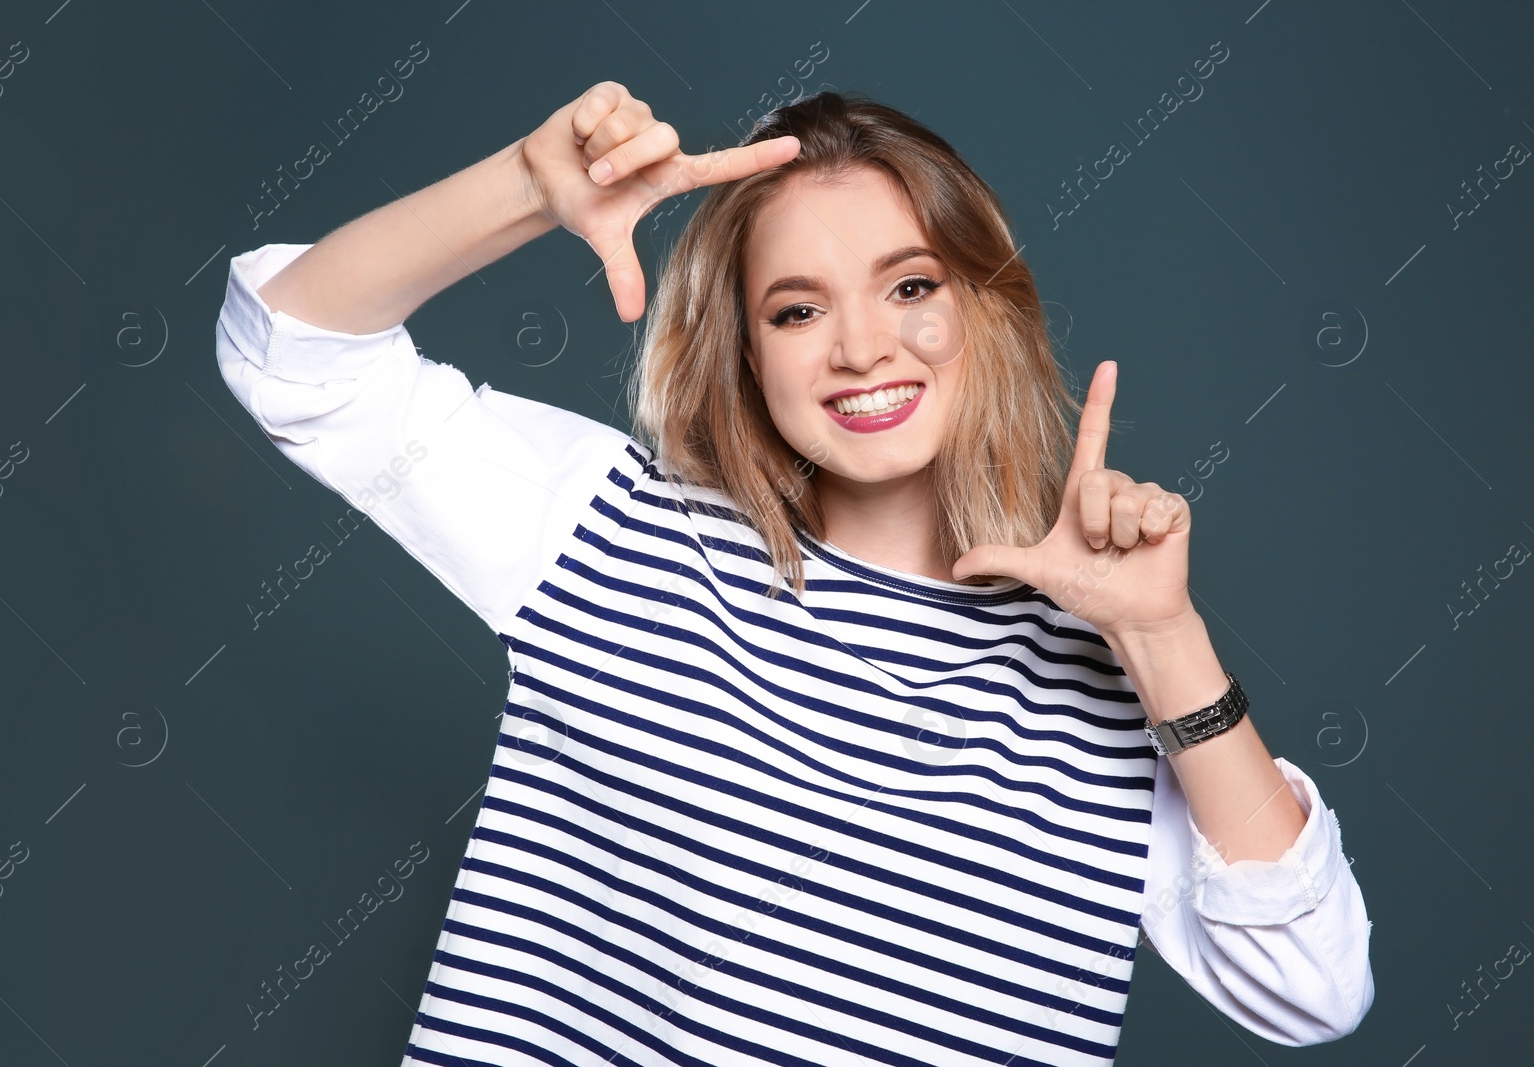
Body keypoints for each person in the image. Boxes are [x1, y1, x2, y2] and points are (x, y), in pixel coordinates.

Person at [216, 82, 1374, 1066]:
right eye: (798, 307)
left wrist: (1165, 640)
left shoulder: (1108, 683)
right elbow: (293, 357)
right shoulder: (613, 533)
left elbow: (1313, 989)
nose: (862, 346)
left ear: (986, 306)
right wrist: (528, 182)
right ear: (745, 349)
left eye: (910, 285)